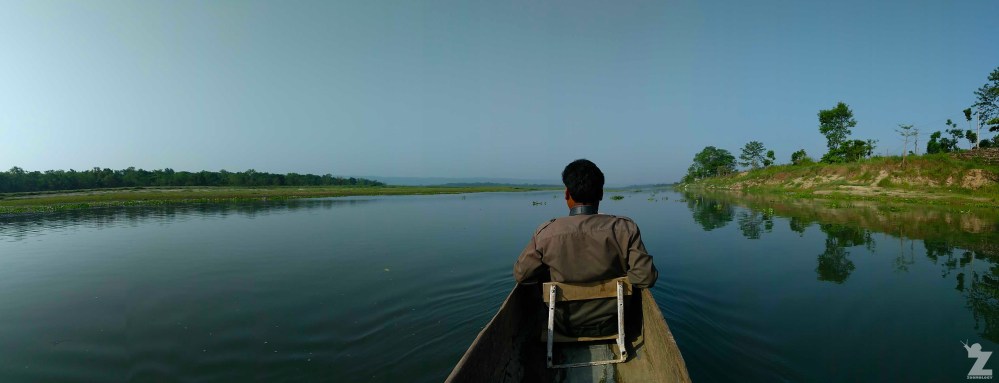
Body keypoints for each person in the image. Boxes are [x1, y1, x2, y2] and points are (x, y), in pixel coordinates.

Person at [513, 159, 657, 337]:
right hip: (614, 324)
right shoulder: (625, 228)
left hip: (562, 326)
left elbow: (521, 275)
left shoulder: (545, 233)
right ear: (601, 194)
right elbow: (645, 278)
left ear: (567, 193)